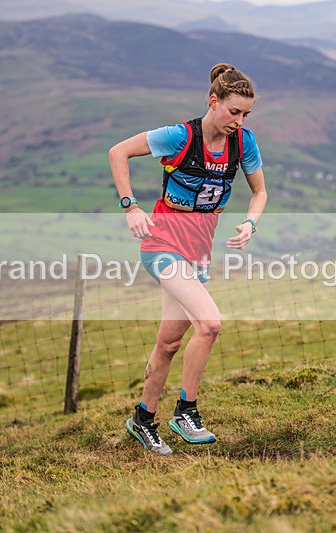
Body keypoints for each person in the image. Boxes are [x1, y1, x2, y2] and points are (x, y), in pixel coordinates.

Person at [109, 63, 267, 455]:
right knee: (210, 324)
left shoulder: (243, 143)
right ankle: (186, 412)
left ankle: (141, 420)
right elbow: (118, 152)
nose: (239, 120)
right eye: (234, 111)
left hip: (198, 252)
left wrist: (250, 224)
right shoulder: (179, 136)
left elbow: (259, 193)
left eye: (246, 114)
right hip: (162, 244)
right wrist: (130, 207)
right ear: (214, 102)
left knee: (168, 343)